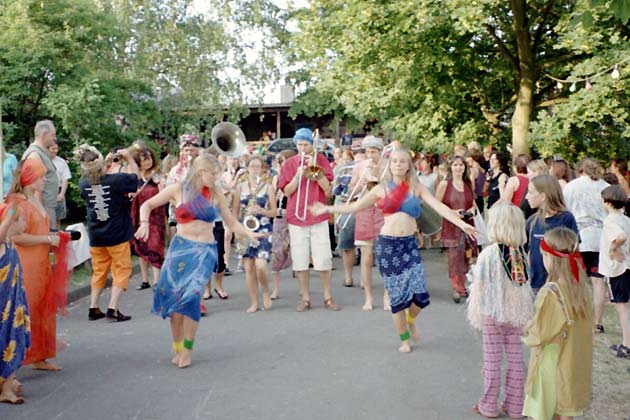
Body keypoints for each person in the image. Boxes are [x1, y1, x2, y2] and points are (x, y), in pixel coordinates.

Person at [312, 148, 477, 353]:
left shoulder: (416, 188)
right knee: (397, 297)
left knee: (420, 296)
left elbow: (439, 207)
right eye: (395, 161)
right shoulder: (380, 189)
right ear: (390, 165)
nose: (398, 164)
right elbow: (354, 207)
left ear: (409, 165)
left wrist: (462, 224)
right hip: (388, 246)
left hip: (409, 244)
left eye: (402, 161)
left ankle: (411, 320)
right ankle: (404, 339)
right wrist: (327, 209)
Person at [135, 153, 264, 368]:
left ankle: (187, 350)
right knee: (175, 303)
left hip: (204, 251)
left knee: (191, 299)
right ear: (200, 172)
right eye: (213, 174)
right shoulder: (178, 189)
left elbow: (231, 222)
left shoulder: (216, 193)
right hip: (180, 250)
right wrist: (144, 223)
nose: (216, 178)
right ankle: (177, 347)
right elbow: (146, 205)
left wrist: (248, 233)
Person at [466, 203, 533, 419]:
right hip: (516, 316)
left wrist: (477, 310)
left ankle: (489, 405)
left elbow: (480, 286)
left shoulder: (488, 254)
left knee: (492, 361)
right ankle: (516, 405)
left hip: (492, 314)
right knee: (515, 360)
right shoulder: (520, 254)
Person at [522, 227, 593, 420]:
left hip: (550, 362)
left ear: (551, 258)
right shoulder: (582, 291)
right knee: (565, 411)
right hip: (572, 362)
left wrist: (528, 327)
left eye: (544, 255)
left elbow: (539, 334)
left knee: (542, 413)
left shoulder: (551, 292)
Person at [7, 159, 64, 371]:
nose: (45, 180)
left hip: (41, 262)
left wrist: (55, 236)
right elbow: (16, 236)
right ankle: (13, 365)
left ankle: (39, 356)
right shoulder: (17, 203)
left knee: (42, 309)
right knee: (26, 310)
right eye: (41, 176)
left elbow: (38, 228)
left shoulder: (35, 199)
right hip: (27, 264)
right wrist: (47, 239)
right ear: (30, 179)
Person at [278, 128, 340, 312]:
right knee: (300, 259)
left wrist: (315, 171)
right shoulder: (289, 163)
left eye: (306, 145)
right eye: (300, 145)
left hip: (318, 215)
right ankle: (305, 298)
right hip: (296, 217)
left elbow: (327, 190)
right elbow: (287, 192)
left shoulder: (321, 160)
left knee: (324, 259)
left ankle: (328, 297)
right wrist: (298, 176)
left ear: (312, 145)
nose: (303, 148)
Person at [76, 145, 139, 323]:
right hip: (117, 234)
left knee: (99, 271)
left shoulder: (83, 183)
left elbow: (97, 182)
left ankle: (93, 307)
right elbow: (135, 179)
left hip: (96, 235)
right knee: (121, 269)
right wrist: (129, 158)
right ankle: (113, 308)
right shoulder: (116, 180)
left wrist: (105, 163)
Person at [563, 158, 609, 333]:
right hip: (601, 237)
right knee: (599, 282)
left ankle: (576, 316)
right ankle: (597, 322)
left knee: (576, 278)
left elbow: (565, 210)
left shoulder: (572, 186)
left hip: (580, 236)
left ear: (580, 169)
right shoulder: (605, 187)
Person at [233, 156, 276, 312]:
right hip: (245, 229)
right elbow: (235, 211)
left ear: (263, 169)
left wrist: (262, 210)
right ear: (247, 168)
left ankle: (265, 291)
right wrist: (236, 230)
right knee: (249, 268)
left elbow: (274, 212)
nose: (255, 169)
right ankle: (254, 302)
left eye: (258, 167)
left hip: (263, 229)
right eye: (252, 166)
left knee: (261, 265)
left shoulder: (268, 187)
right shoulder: (240, 187)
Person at [347, 136, 386, 310]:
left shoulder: (387, 166)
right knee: (366, 255)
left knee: (385, 255)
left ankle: (387, 295)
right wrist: (361, 182)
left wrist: (378, 179)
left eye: (374, 152)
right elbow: (351, 189)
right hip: (364, 210)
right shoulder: (360, 166)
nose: (370, 155)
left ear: (380, 152)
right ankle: (368, 298)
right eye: (368, 151)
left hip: (383, 211)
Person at [525, 175, 579, 294]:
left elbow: (574, 251)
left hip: (560, 283)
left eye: (530, 192)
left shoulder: (566, 218)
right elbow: (529, 250)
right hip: (536, 282)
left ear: (543, 196)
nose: (526, 196)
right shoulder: (532, 221)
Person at [0, 204, 30, 404]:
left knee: (13, 340)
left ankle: (8, 385)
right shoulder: (2, 243)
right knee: (6, 342)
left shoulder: (10, 243)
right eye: (22, 219)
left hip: (14, 305)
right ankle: (6, 390)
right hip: (4, 307)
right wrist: (11, 213)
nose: (26, 223)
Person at [436, 155, 477, 303]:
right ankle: (457, 287)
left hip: (468, 224)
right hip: (451, 226)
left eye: (461, 165)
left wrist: (472, 211)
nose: (458, 168)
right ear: (450, 167)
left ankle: (463, 285)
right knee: (454, 257)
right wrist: (453, 213)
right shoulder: (444, 184)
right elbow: (437, 205)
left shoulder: (468, 183)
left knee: (467, 256)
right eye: (455, 165)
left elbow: (474, 203)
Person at [598, 185, 630, 358]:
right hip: (626, 266)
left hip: (616, 269)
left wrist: (613, 249)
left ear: (608, 202)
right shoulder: (626, 219)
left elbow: (621, 237)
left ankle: (627, 345)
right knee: (625, 306)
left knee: (622, 308)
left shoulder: (610, 220)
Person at [130, 147, 165, 290]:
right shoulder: (134, 176)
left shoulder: (157, 176)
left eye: (149, 158)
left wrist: (161, 184)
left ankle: (157, 280)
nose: (147, 162)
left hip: (155, 215)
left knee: (155, 246)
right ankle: (145, 280)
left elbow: (164, 194)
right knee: (140, 245)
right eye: (144, 159)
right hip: (138, 214)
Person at [22, 120, 59, 228]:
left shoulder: (42, 153)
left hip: (47, 206)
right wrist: (41, 214)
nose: (54, 138)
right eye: (52, 135)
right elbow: (35, 188)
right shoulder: (35, 155)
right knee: (47, 237)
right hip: (43, 208)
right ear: (44, 135)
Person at [270, 150, 296, 299]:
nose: (281, 164)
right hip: (281, 214)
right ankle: (275, 289)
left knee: (297, 249)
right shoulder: (276, 177)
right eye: (279, 162)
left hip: (294, 214)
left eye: (283, 161)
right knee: (277, 251)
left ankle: (301, 285)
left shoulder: (296, 176)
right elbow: (272, 198)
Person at [332, 148, 357, 287]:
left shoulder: (342, 169)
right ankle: (361, 280)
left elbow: (336, 191)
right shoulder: (373, 168)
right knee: (364, 247)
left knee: (347, 246)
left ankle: (348, 277)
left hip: (349, 206)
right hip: (354, 207)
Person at [47, 142, 71, 230]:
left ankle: (57, 234)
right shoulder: (42, 160)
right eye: (53, 149)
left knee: (58, 218)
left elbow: (65, 179)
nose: (55, 151)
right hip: (46, 191)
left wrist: (62, 194)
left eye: (56, 149)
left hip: (58, 190)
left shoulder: (61, 162)